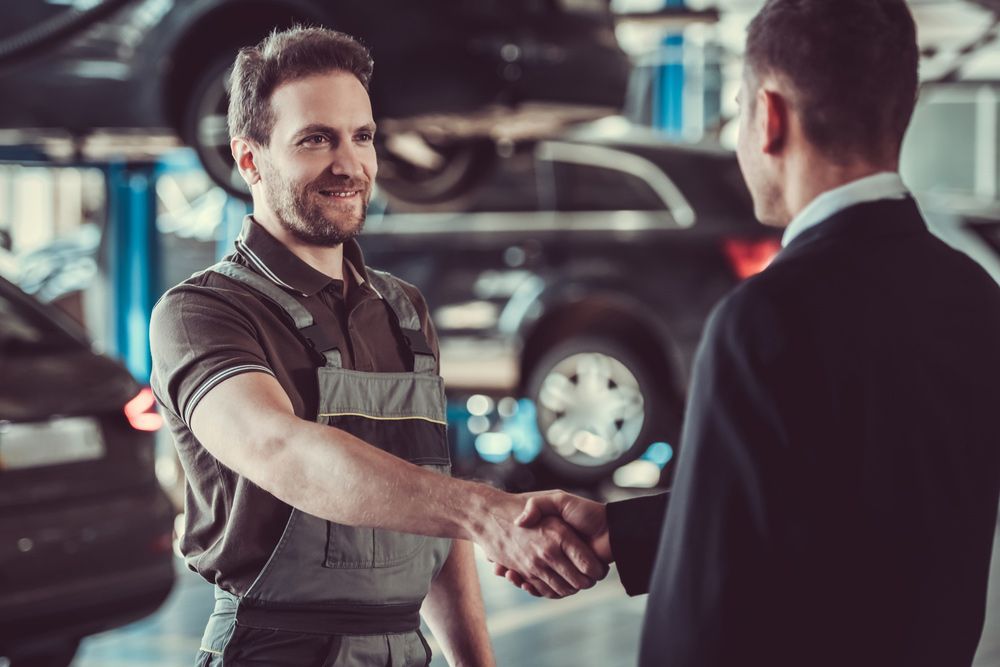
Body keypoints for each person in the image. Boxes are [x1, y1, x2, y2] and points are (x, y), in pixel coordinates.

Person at [499, 1, 1000, 665]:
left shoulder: (766, 317)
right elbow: (847, 509)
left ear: (768, 116)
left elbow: (705, 608)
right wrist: (625, 528)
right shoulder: (974, 295)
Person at [149, 27, 605, 667]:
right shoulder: (202, 311)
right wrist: (485, 513)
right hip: (277, 650)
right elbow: (282, 452)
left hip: (404, 649)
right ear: (248, 159)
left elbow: (431, 497)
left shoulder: (402, 310)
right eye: (315, 139)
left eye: (360, 136)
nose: (348, 163)